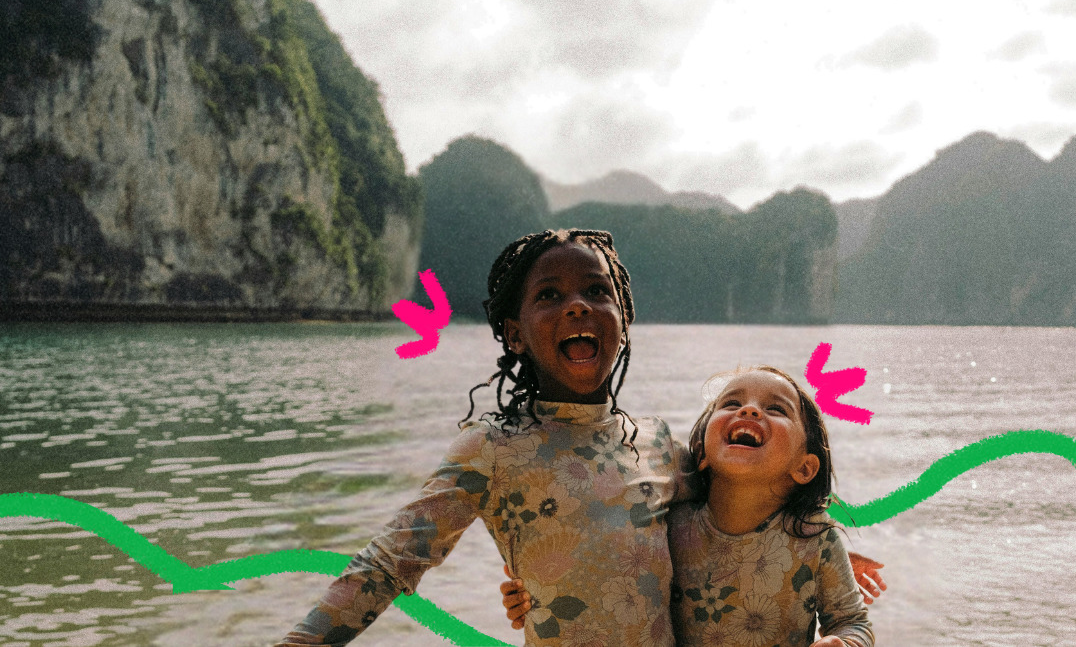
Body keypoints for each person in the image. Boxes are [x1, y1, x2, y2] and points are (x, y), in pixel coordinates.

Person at [277, 229, 691, 646]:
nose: (578, 306)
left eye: (597, 290)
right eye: (549, 295)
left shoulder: (658, 444)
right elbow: (387, 564)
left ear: (623, 317)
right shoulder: (494, 447)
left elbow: (724, 539)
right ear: (515, 335)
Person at [504, 365, 875, 647]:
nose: (749, 410)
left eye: (776, 409)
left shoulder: (815, 539)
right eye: (731, 403)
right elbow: (607, 567)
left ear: (805, 467)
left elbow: (853, 622)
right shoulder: (671, 526)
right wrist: (538, 588)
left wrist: (843, 643)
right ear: (699, 451)